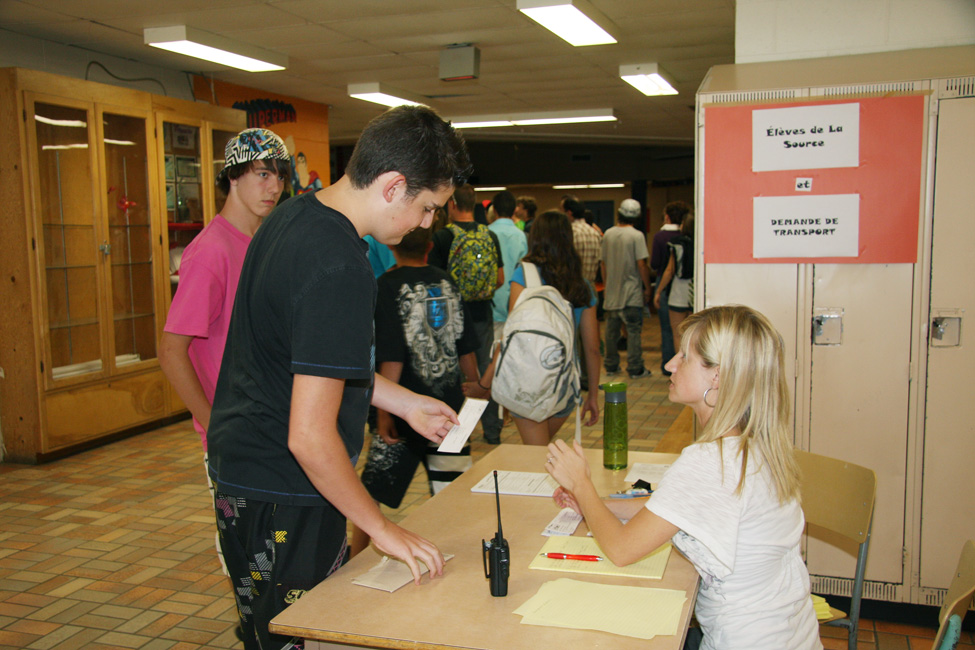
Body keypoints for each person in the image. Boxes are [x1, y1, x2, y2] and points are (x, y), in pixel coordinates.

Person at [206, 105, 471, 650]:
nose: (426, 224)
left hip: (249, 472)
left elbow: (309, 361)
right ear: (394, 186)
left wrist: (405, 403)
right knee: (298, 638)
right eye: (427, 208)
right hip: (285, 487)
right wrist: (381, 527)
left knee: (274, 631)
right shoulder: (339, 262)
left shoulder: (293, 218)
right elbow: (309, 435)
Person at [544, 305, 822, 650]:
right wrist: (598, 506)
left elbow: (621, 549)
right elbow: (672, 509)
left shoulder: (710, 462)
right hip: (791, 634)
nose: (669, 365)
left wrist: (582, 484)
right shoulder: (757, 445)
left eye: (684, 357)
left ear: (717, 376)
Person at [350, 225, 480, 555]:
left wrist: (383, 414)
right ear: (430, 246)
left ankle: (354, 557)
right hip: (449, 411)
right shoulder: (447, 282)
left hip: (402, 409)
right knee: (453, 493)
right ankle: (459, 555)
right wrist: (475, 387)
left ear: (391, 246)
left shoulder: (387, 286)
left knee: (372, 494)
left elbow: (390, 356)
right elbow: (464, 343)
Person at [160, 128, 290, 450]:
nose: (274, 187)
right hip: (238, 439)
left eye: (280, 177)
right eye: (262, 174)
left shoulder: (266, 242)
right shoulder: (210, 252)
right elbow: (171, 351)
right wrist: (214, 425)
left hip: (273, 424)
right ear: (233, 177)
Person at [472, 210, 600, 446]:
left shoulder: (524, 275)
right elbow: (592, 348)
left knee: (536, 456)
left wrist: (487, 383)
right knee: (540, 453)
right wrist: (592, 395)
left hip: (526, 381)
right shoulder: (581, 285)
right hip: (564, 384)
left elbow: (510, 336)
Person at [429, 184, 504, 443]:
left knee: (455, 373)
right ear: (474, 205)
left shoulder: (442, 237)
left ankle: (461, 433)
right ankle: (492, 431)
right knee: (483, 372)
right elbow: (500, 279)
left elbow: (435, 283)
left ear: (451, 204)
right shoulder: (489, 235)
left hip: (452, 315)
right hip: (482, 312)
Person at [601, 198, 652, 379]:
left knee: (611, 333)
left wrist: (607, 286)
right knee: (633, 331)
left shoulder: (608, 234)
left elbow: (604, 263)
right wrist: (647, 287)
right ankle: (635, 368)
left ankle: (611, 366)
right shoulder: (637, 236)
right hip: (631, 293)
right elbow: (641, 264)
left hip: (612, 293)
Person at [651, 201, 690, 376]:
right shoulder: (695, 238)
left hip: (671, 287)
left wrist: (658, 290)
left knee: (670, 329)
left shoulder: (662, 237)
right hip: (692, 289)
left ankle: (670, 364)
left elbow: (660, 266)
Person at [655, 213, 696, 334]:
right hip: (694, 291)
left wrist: (658, 291)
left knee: (678, 334)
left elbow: (669, 270)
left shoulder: (676, 243)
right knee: (694, 332)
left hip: (678, 293)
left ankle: (680, 353)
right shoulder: (701, 244)